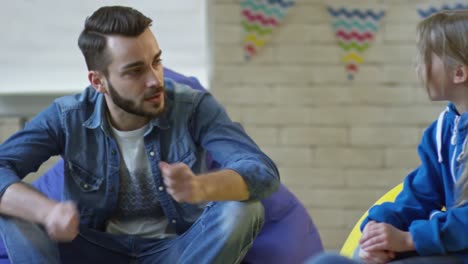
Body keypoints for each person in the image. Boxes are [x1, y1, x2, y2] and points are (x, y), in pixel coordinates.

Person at [0, 6, 280, 264]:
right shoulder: (67, 117)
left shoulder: (192, 107)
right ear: (99, 81)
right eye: (134, 71)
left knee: (245, 210)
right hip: (91, 251)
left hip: (177, 252)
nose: (154, 79)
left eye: (156, 61)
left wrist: (201, 187)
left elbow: (260, 170)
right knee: (14, 210)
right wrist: (47, 212)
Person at [306, 10, 468, 264]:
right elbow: (418, 196)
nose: (417, 66)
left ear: (459, 73)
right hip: (447, 249)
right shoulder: (442, 131)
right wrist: (376, 228)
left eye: (426, 58)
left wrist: (409, 239)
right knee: (327, 261)